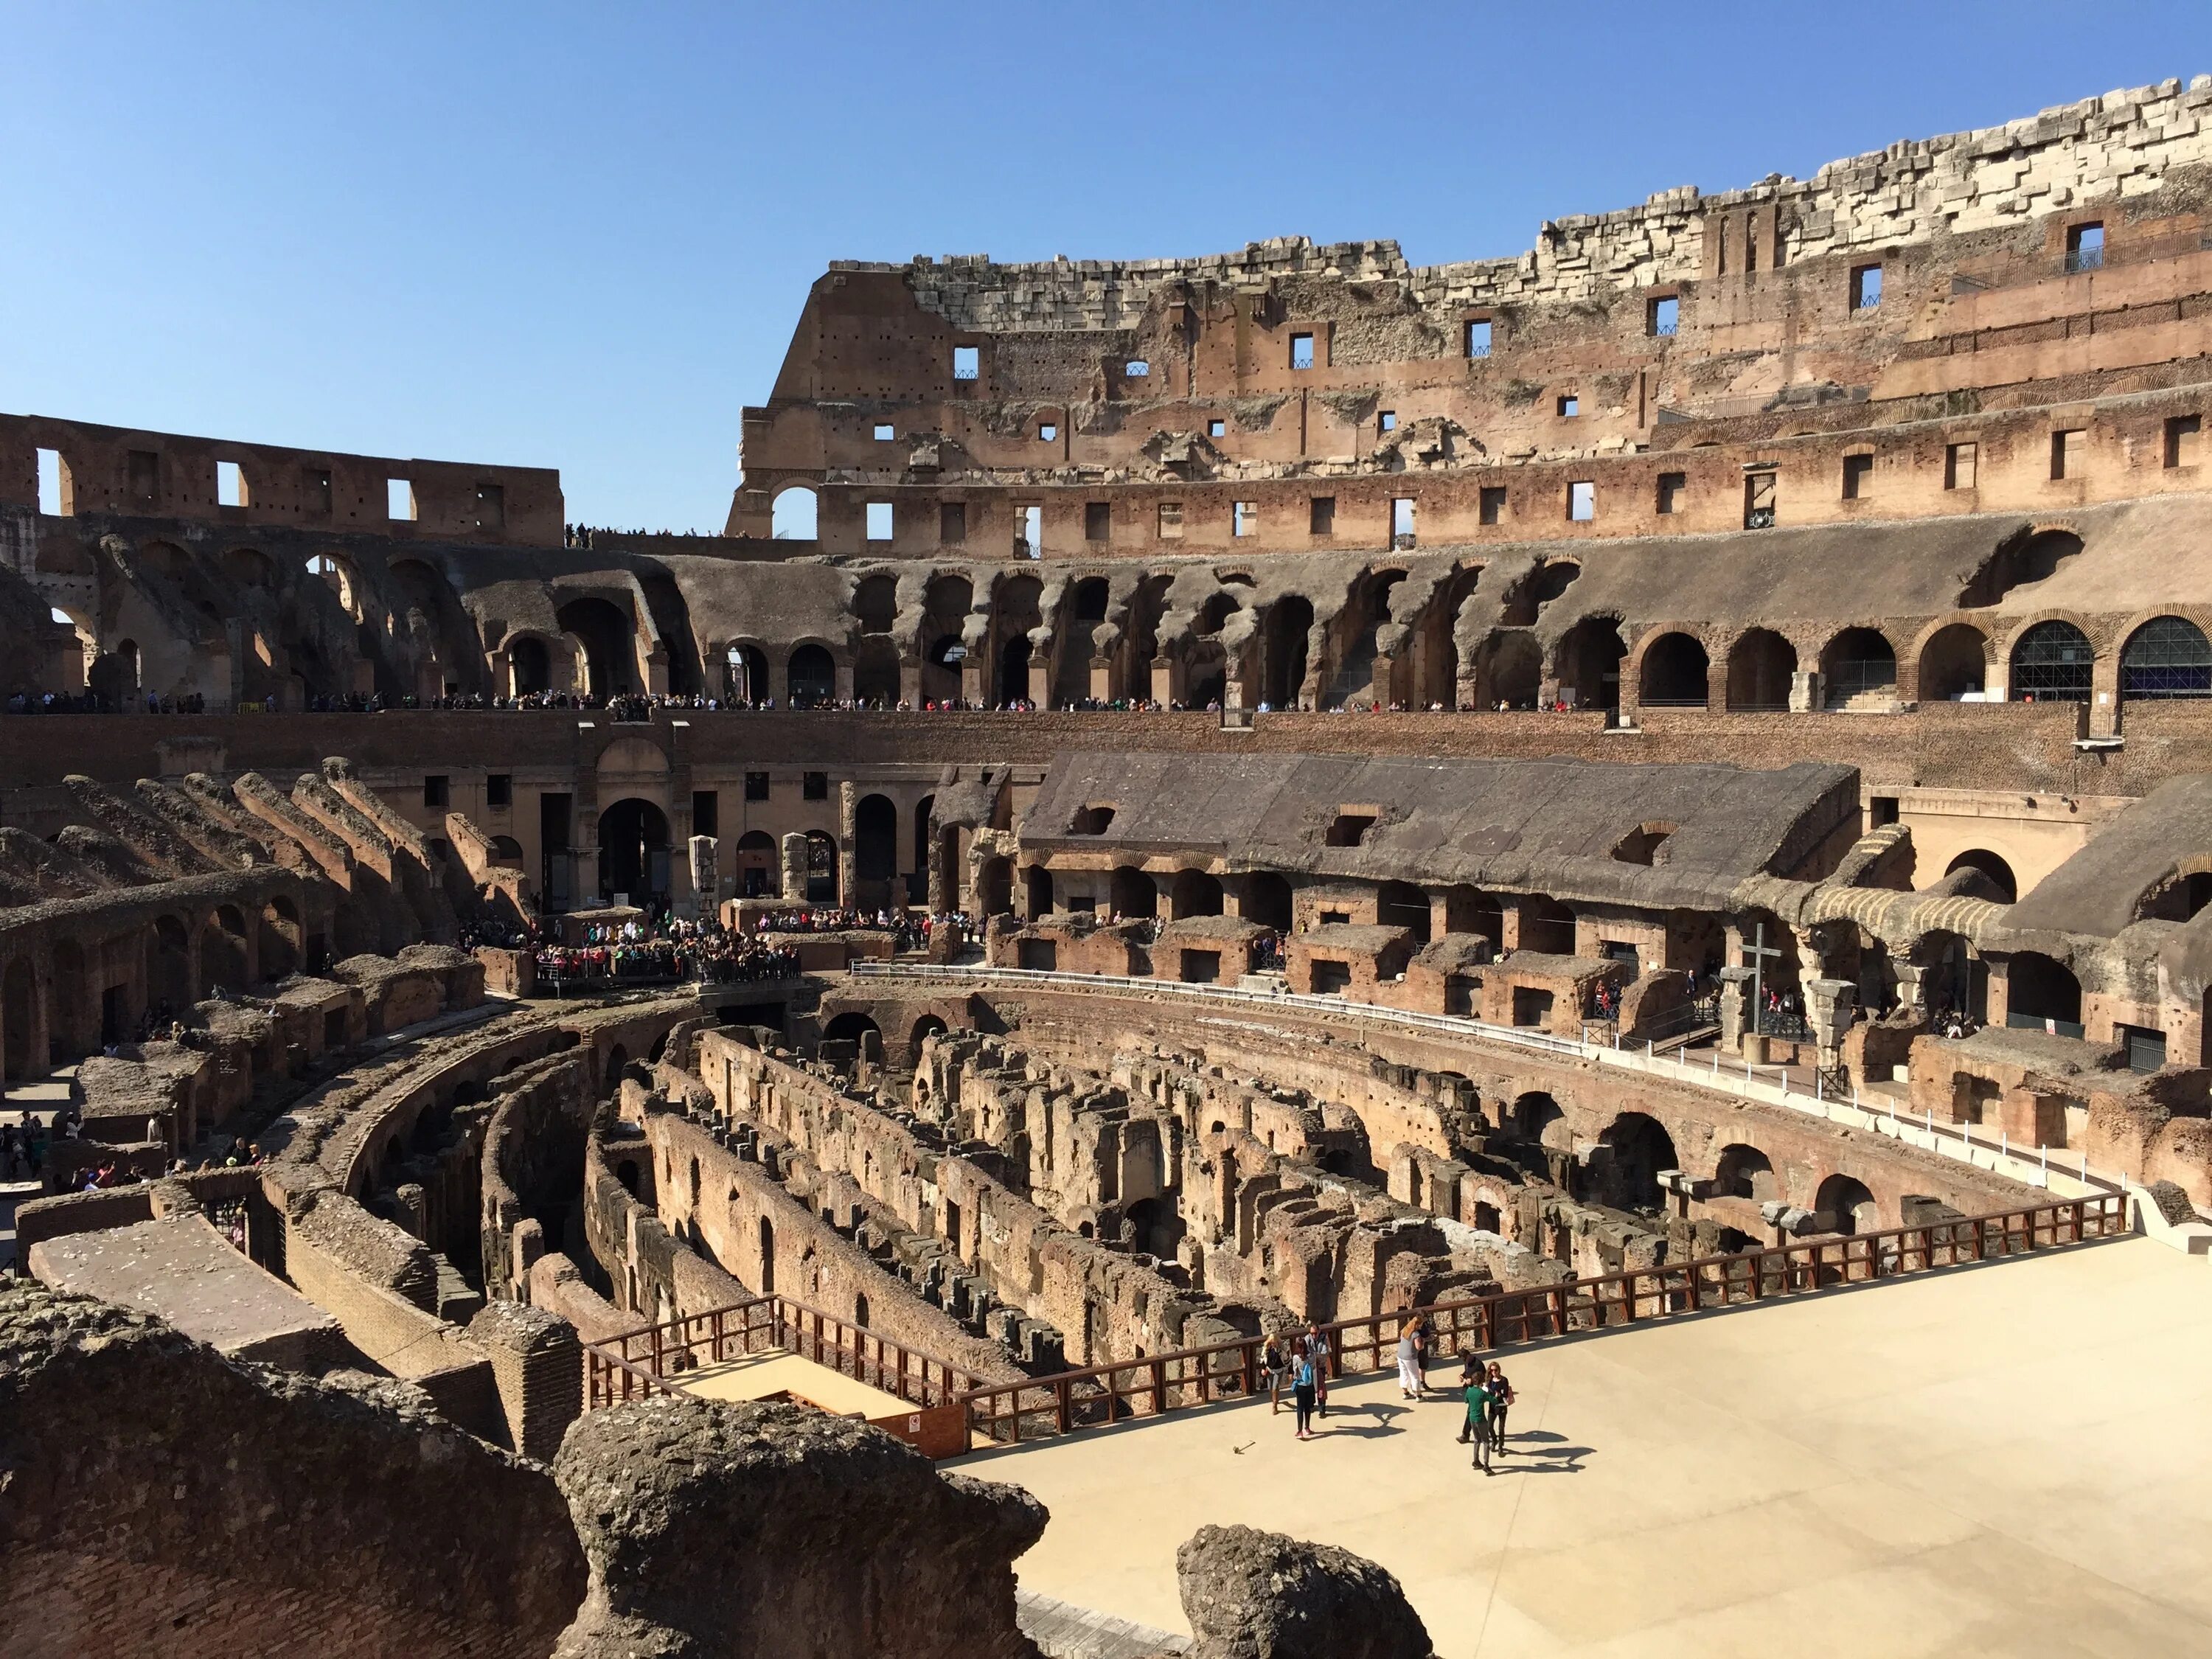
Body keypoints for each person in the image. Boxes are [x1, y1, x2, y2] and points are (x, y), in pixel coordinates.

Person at [1464, 1367, 1495, 1473]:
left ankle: (1476, 1460)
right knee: (1486, 1441)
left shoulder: (1469, 1390)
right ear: (1481, 1381)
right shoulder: (1482, 1393)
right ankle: (1486, 1465)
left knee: (1477, 1440)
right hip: (1481, 1419)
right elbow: (1493, 1400)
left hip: (1472, 1418)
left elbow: (1466, 1400)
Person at [1484, 1361, 1516, 1454]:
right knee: (1490, 1426)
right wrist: (1484, 1389)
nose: (1494, 1372)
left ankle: (1501, 1446)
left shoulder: (1504, 1380)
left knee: (1501, 1428)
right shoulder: (1490, 1380)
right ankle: (1494, 1440)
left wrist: (1499, 1394)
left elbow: (1505, 1393)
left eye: (1496, 1370)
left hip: (1502, 1406)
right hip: (1493, 1406)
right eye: (1492, 1370)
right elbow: (1487, 1391)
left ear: (1499, 1370)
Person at [1302, 1322, 1331, 1419]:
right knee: (1309, 1386)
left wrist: (1314, 1356)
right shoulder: (1307, 1338)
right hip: (1310, 1366)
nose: (1313, 1336)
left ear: (1319, 1331)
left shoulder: (1324, 1338)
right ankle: (1310, 1405)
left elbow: (1325, 1353)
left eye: (1315, 1333)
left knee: (1321, 1388)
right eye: (1312, 1333)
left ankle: (1322, 1409)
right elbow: (1304, 1352)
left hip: (1320, 1366)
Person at [1396, 1313, 1426, 1399]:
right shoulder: (1416, 1334)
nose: (1421, 1326)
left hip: (1400, 1356)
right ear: (1417, 1324)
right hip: (1410, 1358)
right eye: (1420, 1324)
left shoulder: (1405, 1330)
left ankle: (1406, 1393)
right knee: (1415, 1376)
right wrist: (1423, 1342)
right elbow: (1419, 1347)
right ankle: (1419, 1396)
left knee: (1403, 1374)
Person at [1291, 1346, 1318, 1441]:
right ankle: (1307, 1428)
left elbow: (1295, 1372)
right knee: (1307, 1408)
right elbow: (1314, 1367)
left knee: (1300, 1409)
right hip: (1309, 1386)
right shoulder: (1311, 1356)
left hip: (1300, 1386)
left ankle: (1299, 1431)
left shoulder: (1295, 1358)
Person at [1264, 1334, 1290, 1414]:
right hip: (1270, 1370)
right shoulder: (1266, 1350)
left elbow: (1287, 1360)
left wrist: (1289, 1371)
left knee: (1275, 1387)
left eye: (1274, 1343)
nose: (1273, 1344)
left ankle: (1274, 1406)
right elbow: (1263, 1359)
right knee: (1270, 1388)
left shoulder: (1281, 1351)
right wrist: (1263, 1369)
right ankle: (1276, 1397)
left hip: (1279, 1371)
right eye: (1272, 1343)